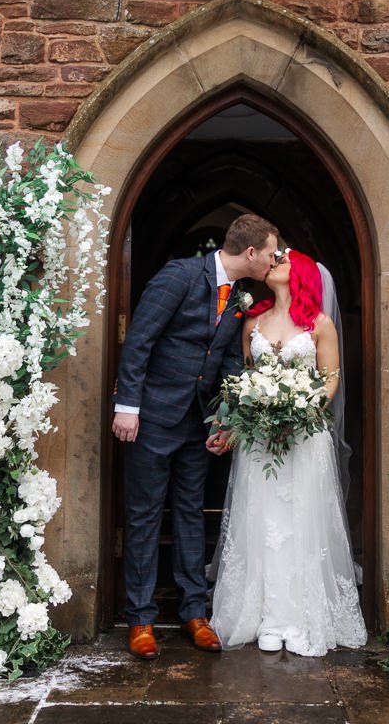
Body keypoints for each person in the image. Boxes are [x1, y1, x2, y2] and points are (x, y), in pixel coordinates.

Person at [112, 213, 280, 660]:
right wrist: (128, 408)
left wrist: (225, 420)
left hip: (197, 424)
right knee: (145, 515)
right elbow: (140, 342)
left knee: (189, 512)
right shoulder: (180, 276)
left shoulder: (240, 298)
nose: (273, 260)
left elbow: (226, 358)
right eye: (270, 253)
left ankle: (194, 613)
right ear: (250, 253)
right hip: (151, 418)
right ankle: (141, 619)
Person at [209, 248, 367, 657]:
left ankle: (298, 617)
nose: (274, 262)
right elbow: (245, 377)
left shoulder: (320, 324)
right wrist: (252, 412)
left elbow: (331, 379)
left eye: (283, 259)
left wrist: (300, 409)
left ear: (301, 274)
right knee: (262, 520)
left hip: (303, 436)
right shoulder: (252, 322)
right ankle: (265, 615)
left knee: (300, 522)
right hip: (261, 439)